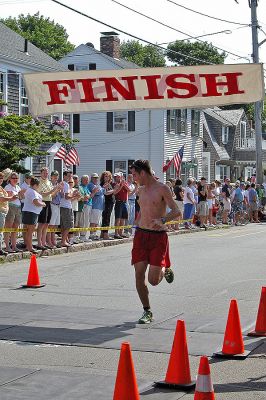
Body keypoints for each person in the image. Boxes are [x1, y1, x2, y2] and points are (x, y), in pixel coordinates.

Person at [130, 159, 180, 324]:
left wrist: (163, 220)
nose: (133, 177)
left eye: (135, 174)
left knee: (153, 281)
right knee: (138, 274)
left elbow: (176, 210)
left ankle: (165, 268)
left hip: (158, 237)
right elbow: (143, 210)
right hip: (141, 236)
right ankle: (147, 311)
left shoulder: (162, 188)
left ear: (143, 173)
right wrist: (136, 223)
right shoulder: (141, 190)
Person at [22, 177, 46, 254]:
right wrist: (43, 204)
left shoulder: (31, 191)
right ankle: (29, 247)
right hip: (31, 212)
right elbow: (36, 202)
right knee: (30, 231)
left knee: (28, 231)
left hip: (31, 212)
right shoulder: (32, 191)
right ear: (35, 185)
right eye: (38, 185)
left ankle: (28, 246)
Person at [4, 172, 24, 253]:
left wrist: (21, 195)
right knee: (8, 227)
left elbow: (22, 198)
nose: (15, 179)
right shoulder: (7, 187)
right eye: (13, 178)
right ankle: (7, 247)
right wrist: (17, 196)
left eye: (16, 178)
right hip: (11, 207)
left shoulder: (18, 187)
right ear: (10, 179)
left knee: (15, 228)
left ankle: (14, 246)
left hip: (18, 207)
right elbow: (10, 198)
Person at [0, 172, 17, 256]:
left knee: (2, 230)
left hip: (4, 211)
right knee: (1, 230)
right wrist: (11, 198)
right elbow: (1, 199)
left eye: (1, 178)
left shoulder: (1, 188)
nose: (0, 180)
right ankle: (2, 248)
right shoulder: (3, 188)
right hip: (1, 211)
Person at [47, 171, 63, 248]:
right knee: (51, 225)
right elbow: (51, 196)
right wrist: (56, 190)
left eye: (57, 175)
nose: (56, 177)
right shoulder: (50, 185)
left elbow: (62, 196)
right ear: (51, 176)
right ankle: (49, 241)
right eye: (54, 175)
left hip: (58, 205)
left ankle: (53, 240)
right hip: (52, 205)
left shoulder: (58, 184)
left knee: (56, 225)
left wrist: (61, 190)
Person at [88, 173, 105, 240]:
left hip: (100, 206)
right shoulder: (91, 184)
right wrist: (101, 189)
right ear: (91, 178)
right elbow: (98, 192)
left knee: (97, 221)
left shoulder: (97, 185)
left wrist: (101, 189)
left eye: (97, 178)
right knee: (93, 221)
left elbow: (103, 191)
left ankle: (94, 234)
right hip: (95, 206)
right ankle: (91, 234)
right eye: (94, 178)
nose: (96, 179)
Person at [113, 172, 131, 239]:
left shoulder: (125, 183)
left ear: (121, 177)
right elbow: (115, 193)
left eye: (117, 176)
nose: (116, 178)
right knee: (118, 218)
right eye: (115, 177)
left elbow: (129, 190)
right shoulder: (115, 184)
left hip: (124, 202)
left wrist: (124, 185)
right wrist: (121, 186)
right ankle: (116, 233)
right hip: (119, 202)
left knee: (123, 218)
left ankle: (121, 232)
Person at [100, 171, 115, 240]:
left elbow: (114, 192)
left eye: (108, 176)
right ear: (103, 177)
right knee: (105, 217)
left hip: (111, 202)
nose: (107, 177)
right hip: (105, 202)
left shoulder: (111, 184)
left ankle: (103, 233)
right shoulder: (102, 184)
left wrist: (115, 189)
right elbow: (106, 193)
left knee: (107, 217)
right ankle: (105, 234)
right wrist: (114, 190)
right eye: (105, 176)